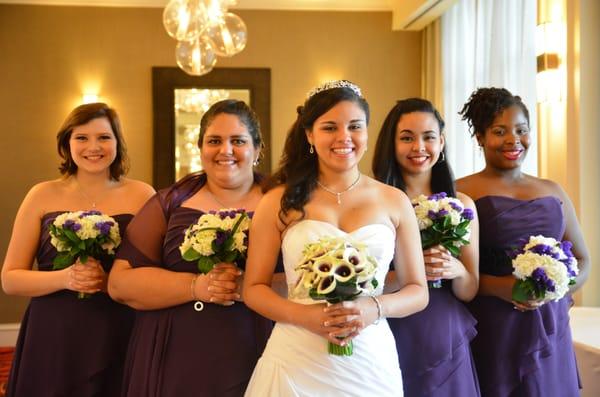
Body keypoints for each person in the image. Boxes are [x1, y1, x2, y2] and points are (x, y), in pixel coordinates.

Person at [242, 80, 429, 396]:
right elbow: (254, 289)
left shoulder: (393, 201)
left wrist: (374, 307)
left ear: (367, 134)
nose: (344, 137)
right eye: (330, 127)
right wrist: (304, 316)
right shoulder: (278, 201)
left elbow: (417, 291)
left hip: (368, 358)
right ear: (310, 135)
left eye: (355, 127)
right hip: (296, 356)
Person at [108, 99, 282, 397]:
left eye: (238, 141)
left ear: (257, 149)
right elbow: (119, 283)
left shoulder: (284, 203)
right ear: (200, 147)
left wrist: (248, 286)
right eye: (214, 141)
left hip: (261, 348)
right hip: (176, 355)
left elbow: (308, 282)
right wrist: (198, 286)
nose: (225, 150)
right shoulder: (171, 202)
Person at [1, 102, 155, 396]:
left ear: (117, 142)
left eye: (103, 137)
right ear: (66, 145)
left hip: (119, 326)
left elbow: (153, 271)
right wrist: (66, 278)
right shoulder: (41, 194)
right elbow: (10, 278)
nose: (93, 147)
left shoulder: (141, 194)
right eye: (81, 138)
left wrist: (110, 282)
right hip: (53, 332)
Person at [456, 87, 590, 396]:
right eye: (499, 131)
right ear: (480, 137)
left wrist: (555, 290)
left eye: (521, 130)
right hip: (496, 324)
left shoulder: (553, 190)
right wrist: (504, 287)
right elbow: (455, 273)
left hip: (550, 322)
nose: (513, 139)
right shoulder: (461, 191)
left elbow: (583, 259)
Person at [372, 97, 480, 396]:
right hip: (390, 322)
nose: (418, 147)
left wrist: (457, 270)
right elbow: (361, 280)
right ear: (391, 144)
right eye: (407, 138)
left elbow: (470, 290)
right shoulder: (374, 201)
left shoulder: (463, 205)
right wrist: (410, 273)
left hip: (443, 329)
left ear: (441, 142)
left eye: (428, 137)